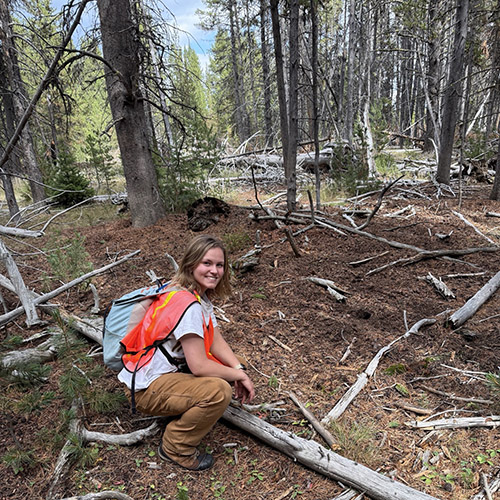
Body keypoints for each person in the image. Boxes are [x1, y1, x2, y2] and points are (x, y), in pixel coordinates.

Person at [118, 234, 255, 471]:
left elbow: (214, 340)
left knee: (234, 364)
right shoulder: (189, 305)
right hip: (147, 388)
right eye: (207, 263)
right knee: (219, 391)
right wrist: (239, 377)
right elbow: (199, 366)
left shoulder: (191, 294)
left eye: (219, 265)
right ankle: (176, 448)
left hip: (159, 373)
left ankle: (188, 407)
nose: (215, 271)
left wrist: (238, 369)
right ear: (191, 264)